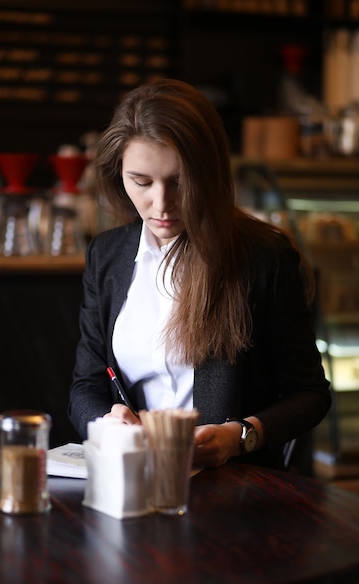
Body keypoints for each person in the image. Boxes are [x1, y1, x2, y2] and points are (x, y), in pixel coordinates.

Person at [68, 78, 331, 473]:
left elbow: (309, 395)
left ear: (209, 174)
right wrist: (107, 421)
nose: (161, 204)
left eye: (179, 182)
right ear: (118, 174)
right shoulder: (107, 256)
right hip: (133, 482)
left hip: (236, 493)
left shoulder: (263, 258)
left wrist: (241, 435)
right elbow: (85, 386)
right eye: (141, 182)